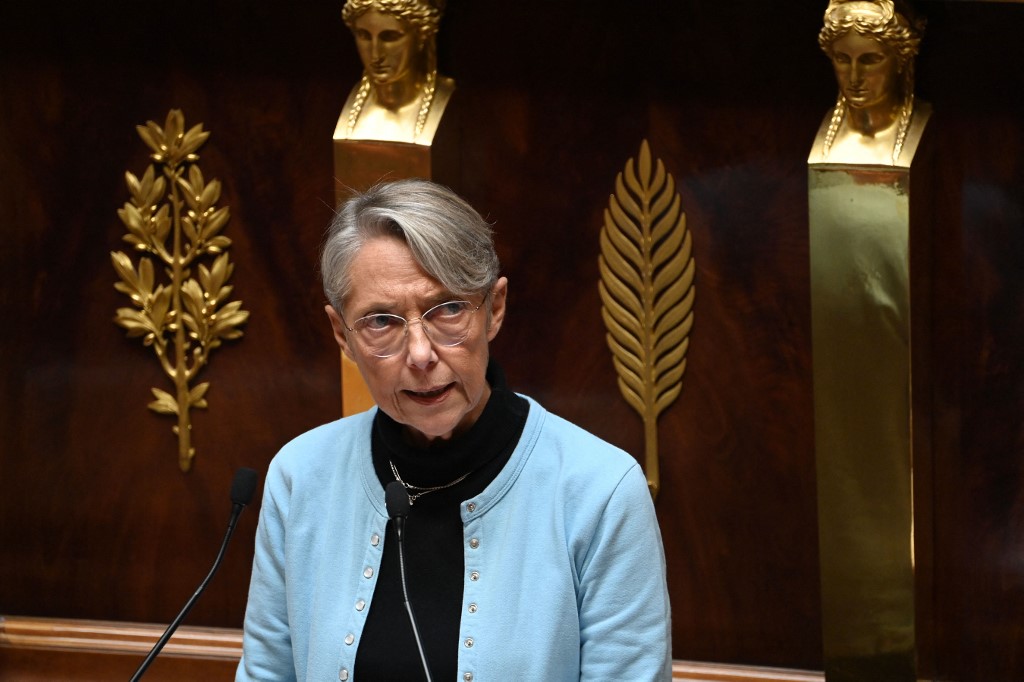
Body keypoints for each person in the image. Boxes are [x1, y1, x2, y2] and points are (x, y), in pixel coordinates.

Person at [236, 178, 672, 681]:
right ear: (342, 335)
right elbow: (266, 672)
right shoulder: (300, 476)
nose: (421, 355)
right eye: (381, 321)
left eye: (447, 309)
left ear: (495, 308)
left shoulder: (601, 490)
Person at [814, 0, 926, 165]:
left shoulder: (925, 126)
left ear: (901, 59)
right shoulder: (822, 134)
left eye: (870, 60)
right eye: (842, 59)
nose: (854, 78)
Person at [336, 0, 456, 145]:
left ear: (422, 36)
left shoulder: (445, 95)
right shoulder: (352, 105)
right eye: (364, 36)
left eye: (390, 37)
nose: (376, 55)